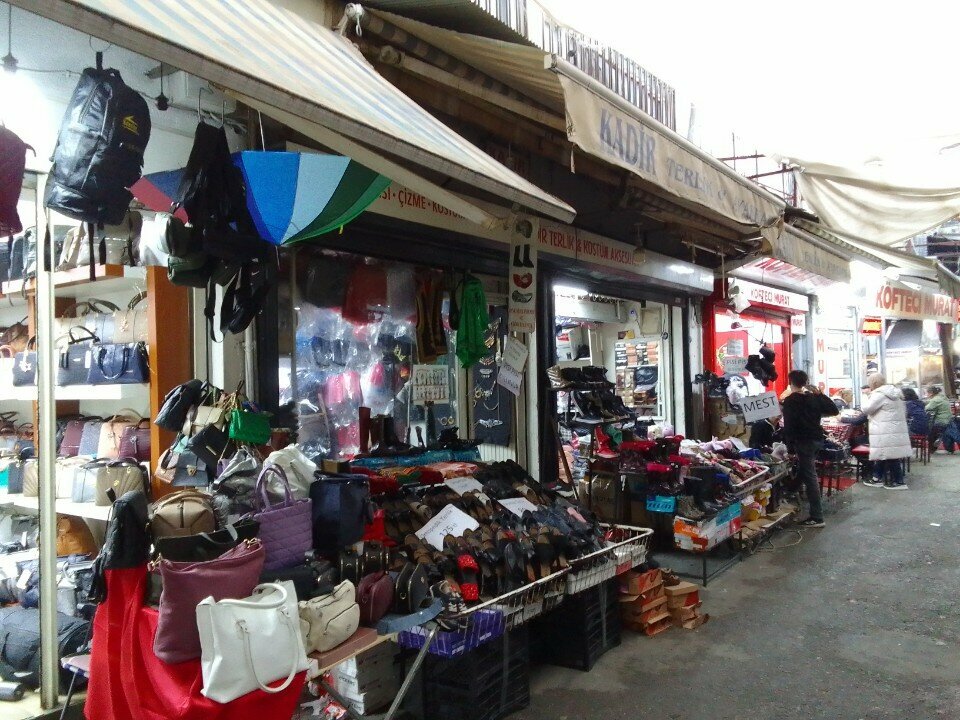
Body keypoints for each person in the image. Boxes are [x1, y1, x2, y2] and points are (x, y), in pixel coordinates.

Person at [781, 370, 839, 528]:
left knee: (810, 477)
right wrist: (820, 394)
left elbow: (789, 426)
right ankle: (790, 489)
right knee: (805, 470)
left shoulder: (791, 401)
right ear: (806, 382)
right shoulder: (813, 398)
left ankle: (817, 517)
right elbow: (834, 410)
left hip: (803, 441)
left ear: (790, 382)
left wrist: (790, 448)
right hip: (817, 440)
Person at [862, 373, 912, 489]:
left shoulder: (879, 394)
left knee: (890, 456)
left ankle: (899, 482)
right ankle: (876, 478)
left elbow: (866, 409)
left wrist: (865, 396)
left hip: (884, 429)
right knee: (884, 453)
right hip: (894, 428)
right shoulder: (894, 393)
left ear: (874, 383)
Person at [924, 385, 952, 451]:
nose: (926, 395)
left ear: (931, 393)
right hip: (948, 419)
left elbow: (926, 408)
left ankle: (932, 449)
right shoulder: (942, 397)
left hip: (941, 421)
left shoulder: (935, 400)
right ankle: (938, 439)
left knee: (930, 433)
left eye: (926, 393)